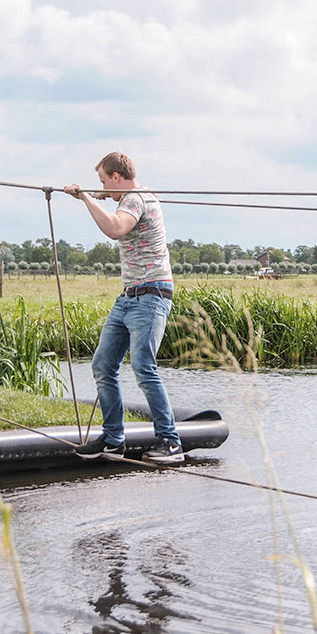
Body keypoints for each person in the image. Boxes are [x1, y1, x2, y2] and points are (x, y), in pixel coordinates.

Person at [63, 152, 183, 465]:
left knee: (143, 366)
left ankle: (170, 441)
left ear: (116, 177)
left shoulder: (134, 199)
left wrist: (88, 199)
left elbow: (116, 228)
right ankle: (113, 439)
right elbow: (120, 211)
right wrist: (100, 195)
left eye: (104, 180)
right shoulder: (132, 196)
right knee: (103, 363)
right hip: (129, 296)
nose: (102, 187)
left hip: (151, 294)